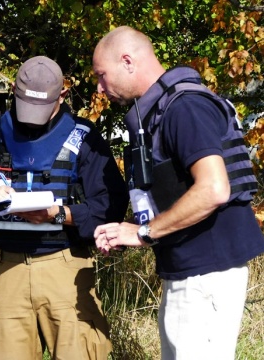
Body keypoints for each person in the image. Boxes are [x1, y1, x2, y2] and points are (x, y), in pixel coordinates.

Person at [0, 56, 129, 360]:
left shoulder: (85, 137)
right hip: (8, 270)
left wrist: (60, 215)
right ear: (13, 90)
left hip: (66, 269)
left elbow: (111, 207)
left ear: (62, 95)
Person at [92, 26, 264, 360]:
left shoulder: (184, 108)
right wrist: (127, 228)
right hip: (190, 273)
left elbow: (213, 189)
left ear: (127, 61)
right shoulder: (161, 111)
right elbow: (178, 193)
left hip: (206, 276)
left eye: (102, 75)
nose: (100, 88)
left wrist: (143, 232)